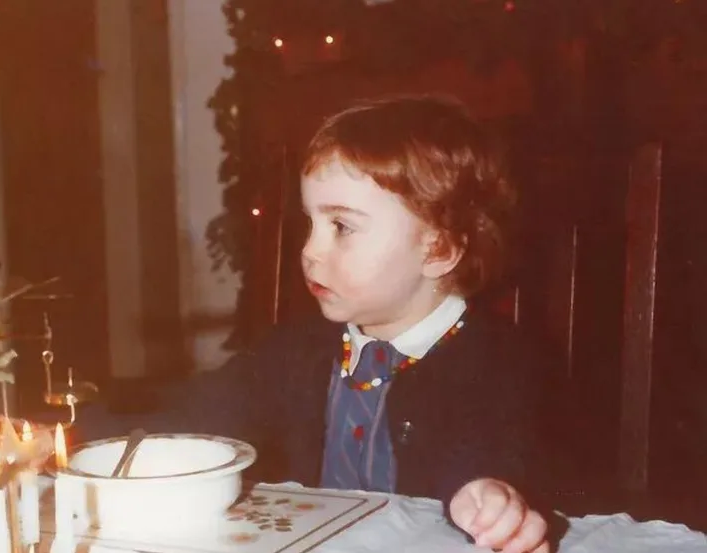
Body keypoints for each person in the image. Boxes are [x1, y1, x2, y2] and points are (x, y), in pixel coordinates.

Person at [76, 94, 559, 552]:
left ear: (438, 249)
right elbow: (200, 413)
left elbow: (491, 443)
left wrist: (488, 493)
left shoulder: (496, 359)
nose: (310, 251)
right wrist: (72, 429)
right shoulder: (299, 351)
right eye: (311, 223)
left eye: (342, 227)